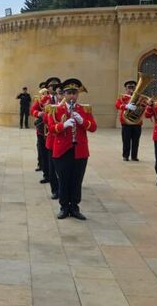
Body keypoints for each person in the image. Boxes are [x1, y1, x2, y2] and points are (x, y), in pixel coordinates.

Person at [49, 78, 97, 220]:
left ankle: (75, 207)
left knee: (77, 180)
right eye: (68, 93)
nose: (71, 96)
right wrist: (63, 125)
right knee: (63, 180)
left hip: (80, 150)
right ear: (63, 94)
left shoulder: (84, 109)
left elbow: (93, 127)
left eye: (74, 93)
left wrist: (83, 121)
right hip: (62, 150)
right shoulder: (56, 109)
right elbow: (51, 128)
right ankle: (64, 207)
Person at [116, 80, 143, 161]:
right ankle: (125, 156)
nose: (131, 89)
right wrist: (126, 106)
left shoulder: (140, 97)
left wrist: (140, 106)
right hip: (126, 122)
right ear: (126, 88)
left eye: (133, 87)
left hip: (137, 122)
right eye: (129, 87)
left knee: (136, 141)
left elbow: (144, 106)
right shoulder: (122, 97)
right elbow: (117, 105)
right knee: (126, 140)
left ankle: (134, 156)